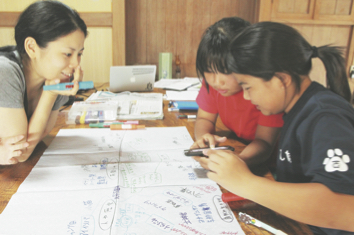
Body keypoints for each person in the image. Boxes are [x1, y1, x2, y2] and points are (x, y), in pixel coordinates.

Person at [201, 21, 354, 234]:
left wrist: (246, 183)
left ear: (281, 79)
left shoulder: (326, 117)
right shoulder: (297, 110)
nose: (246, 96)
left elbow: (346, 211)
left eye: (248, 87)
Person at [0, 1, 87, 165]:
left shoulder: (56, 77)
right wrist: (50, 93)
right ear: (32, 47)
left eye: (79, 54)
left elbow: (41, 135)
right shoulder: (4, 72)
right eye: (68, 54)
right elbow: (21, 154)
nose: (76, 64)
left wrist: (51, 90)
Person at [192, 17, 283, 167]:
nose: (217, 81)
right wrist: (204, 138)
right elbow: (204, 119)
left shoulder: (264, 89)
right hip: (242, 147)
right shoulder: (213, 85)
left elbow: (265, 143)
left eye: (226, 71)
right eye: (209, 71)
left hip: (275, 162)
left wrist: (238, 162)